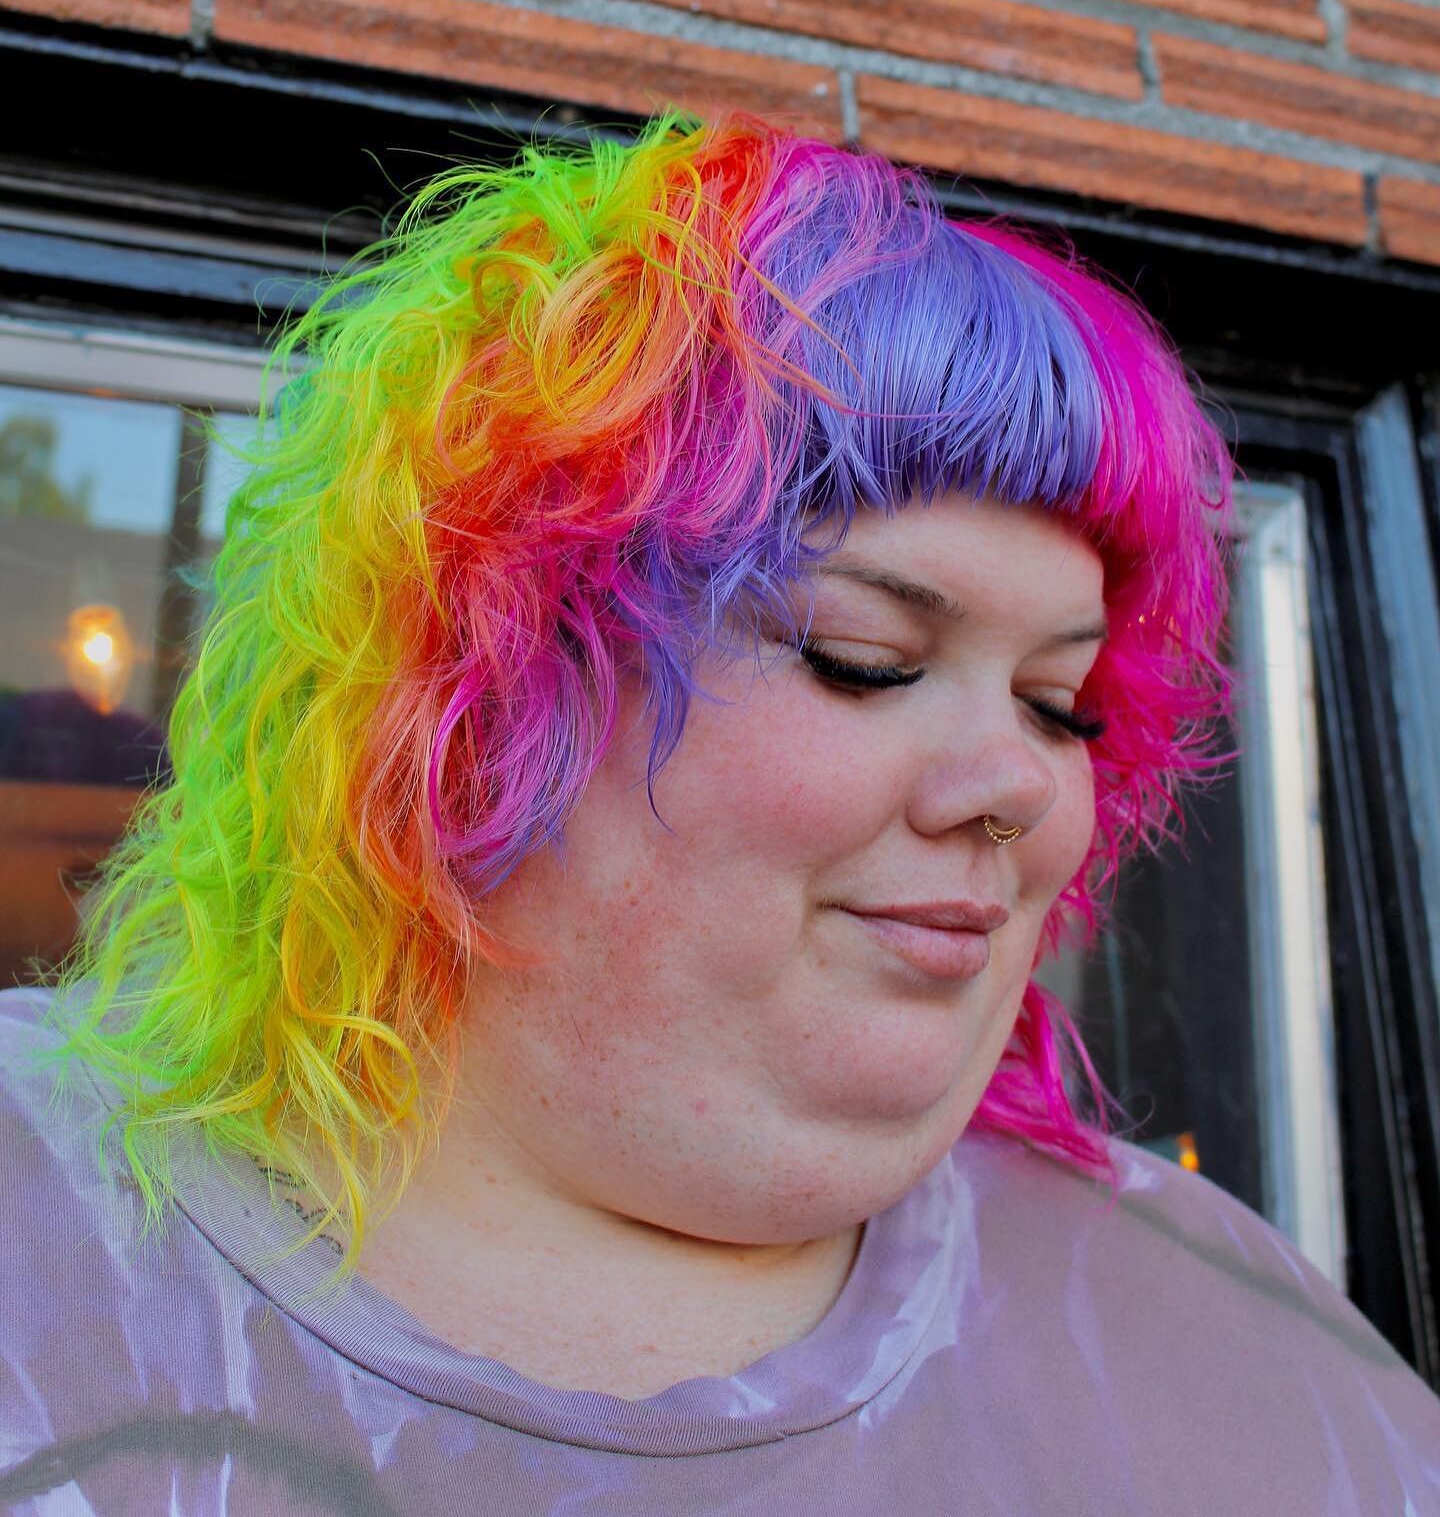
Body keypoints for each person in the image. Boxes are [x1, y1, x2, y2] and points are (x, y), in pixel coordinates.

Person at [1, 110, 1436, 1515]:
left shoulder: (1240, 1350)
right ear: (479, 680)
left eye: (1061, 704)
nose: (1016, 784)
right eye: (862, 658)